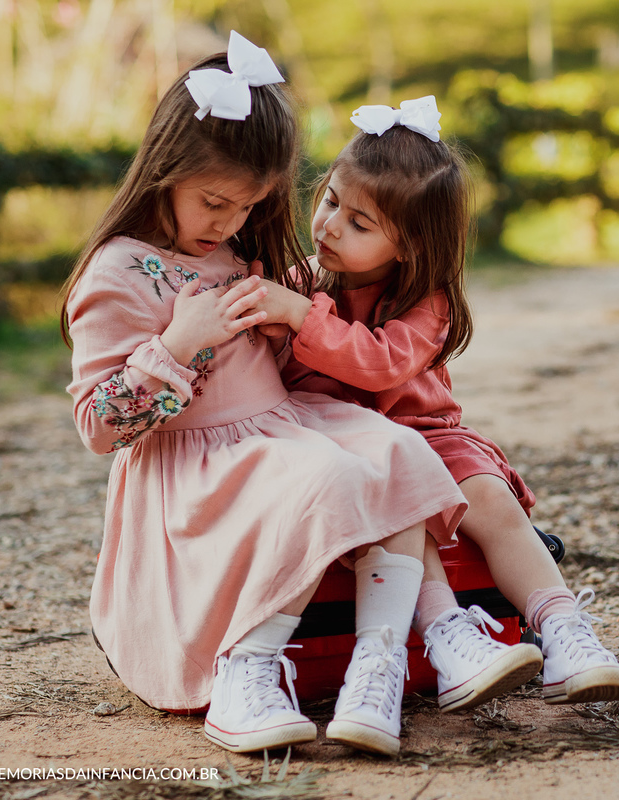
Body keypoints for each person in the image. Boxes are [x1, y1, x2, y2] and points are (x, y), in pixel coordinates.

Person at [62, 35, 466, 758]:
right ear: (165, 170)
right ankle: (245, 670)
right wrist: (176, 346)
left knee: (396, 450)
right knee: (324, 473)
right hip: (196, 469)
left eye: (250, 206)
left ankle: (375, 671)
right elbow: (98, 425)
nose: (230, 224)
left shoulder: (240, 248)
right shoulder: (118, 272)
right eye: (215, 203)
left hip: (277, 431)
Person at [249, 96, 619, 709]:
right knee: (408, 505)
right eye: (329, 202)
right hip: (344, 448)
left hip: (426, 435)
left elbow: (377, 363)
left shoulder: (426, 303)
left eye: (359, 224)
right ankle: (448, 636)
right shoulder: (299, 282)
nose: (328, 226)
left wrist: (299, 318)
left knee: (490, 497)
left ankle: (563, 630)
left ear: (408, 244)